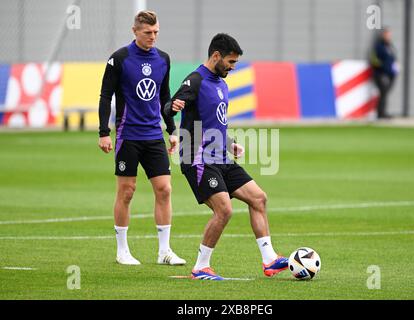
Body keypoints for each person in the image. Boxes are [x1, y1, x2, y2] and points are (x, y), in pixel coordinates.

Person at [164, 33, 288, 280]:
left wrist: (230, 143)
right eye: (230, 62)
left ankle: (269, 260)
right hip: (197, 158)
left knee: (258, 199)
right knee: (224, 210)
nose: (233, 67)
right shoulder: (196, 80)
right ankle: (201, 267)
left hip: (220, 157)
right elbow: (167, 106)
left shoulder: (222, 84)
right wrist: (173, 108)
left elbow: (215, 122)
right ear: (216, 56)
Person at [98, 10, 185, 266]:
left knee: (165, 189)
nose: (153, 37)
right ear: (135, 31)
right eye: (148, 32)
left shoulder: (163, 60)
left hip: (153, 135)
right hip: (128, 135)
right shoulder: (119, 59)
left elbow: (164, 98)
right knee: (127, 192)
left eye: (156, 32)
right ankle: (122, 250)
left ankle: (164, 251)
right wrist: (104, 132)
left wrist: (172, 131)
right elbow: (105, 96)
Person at [369, 27, 399, 119]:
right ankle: (380, 113)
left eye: (389, 34)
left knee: (385, 93)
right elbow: (374, 60)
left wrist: (395, 67)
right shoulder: (378, 46)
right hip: (381, 74)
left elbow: (393, 58)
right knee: (383, 93)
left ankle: (382, 112)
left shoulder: (390, 46)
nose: (388, 36)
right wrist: (383, 70)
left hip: (390, 74)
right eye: (386, 34)